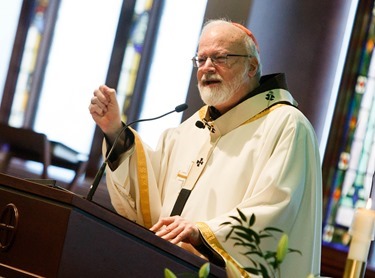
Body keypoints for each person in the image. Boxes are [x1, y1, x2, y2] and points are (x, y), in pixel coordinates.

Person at [89, 19, 322, 277]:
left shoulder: (286, 125)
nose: (207, 68)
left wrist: (202, 234)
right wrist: (114, 131)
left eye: (220, 57)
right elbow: (148, 192)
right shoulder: (194, 126)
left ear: (252, 66)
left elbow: (276, 210)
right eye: (201, 59)